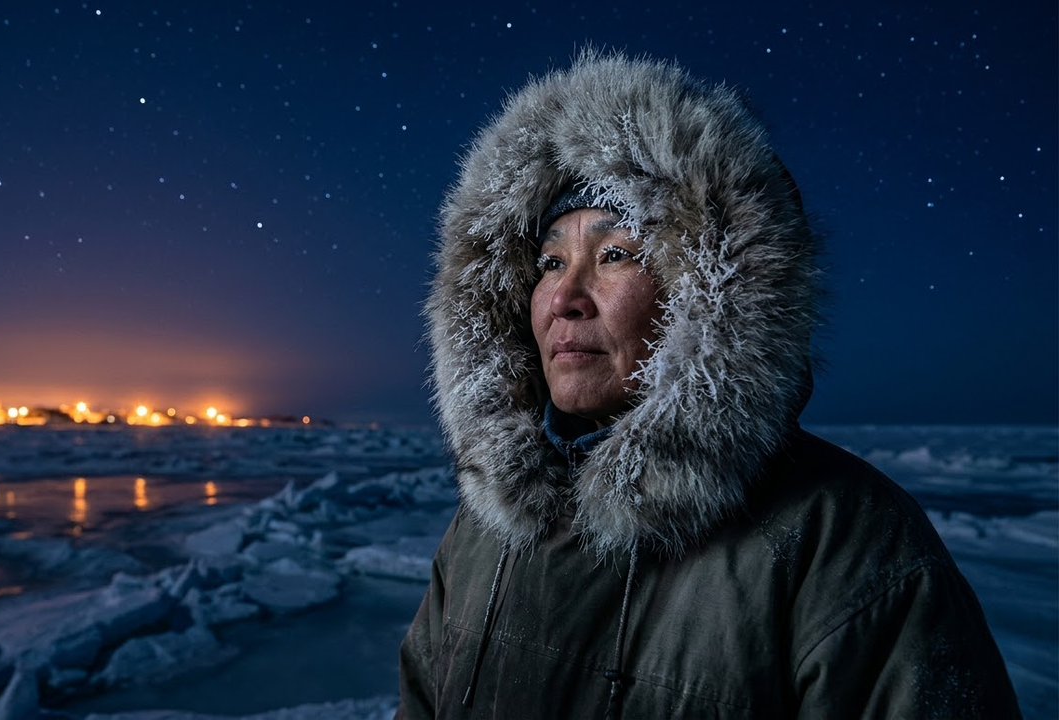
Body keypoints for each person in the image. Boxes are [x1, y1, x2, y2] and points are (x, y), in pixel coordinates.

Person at [397, 51, 1021, 719]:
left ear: (708, 294)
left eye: (616, 255)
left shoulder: (844, 542)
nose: (564, 299)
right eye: (550, 262)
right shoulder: (485, 525)